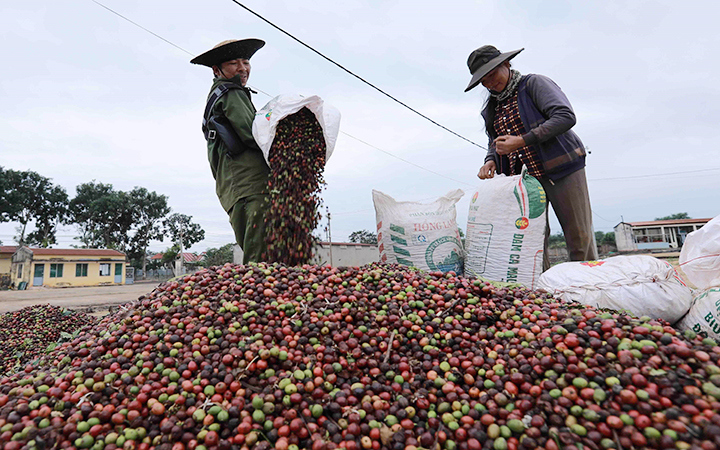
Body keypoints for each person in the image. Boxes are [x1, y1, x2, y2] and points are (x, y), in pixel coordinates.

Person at [465, 45, 598, 268]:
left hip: (561, 168)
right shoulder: (491, 108)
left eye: (492, 75)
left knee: (578, 235)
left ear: (506, 64)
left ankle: (586, 289)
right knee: (533, 239)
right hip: (526, 181)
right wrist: (490, 160)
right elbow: (494, 139)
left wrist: (523, 140)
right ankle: (544, 293)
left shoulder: (533, 84)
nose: (490, 83)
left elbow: (565, 116)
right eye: (484, 81)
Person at [191, 39, 270, 264]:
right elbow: (252, 134)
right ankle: (259, 296)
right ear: (217, 69)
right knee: (260, 258)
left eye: (245, 62)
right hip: (249, 183)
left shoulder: (222, 93)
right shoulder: (231, 92)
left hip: (235, 186)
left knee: (261, 252)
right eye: (234, 63)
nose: (242, 68)